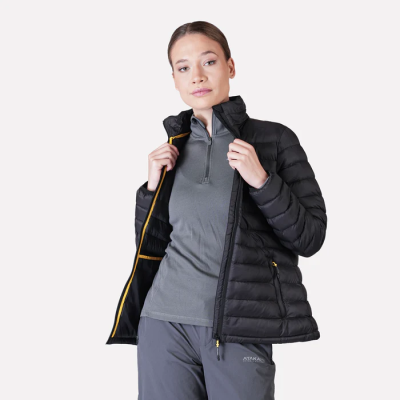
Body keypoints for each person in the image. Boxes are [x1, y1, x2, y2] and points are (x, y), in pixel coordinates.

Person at [106, 21, 328, 400]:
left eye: (208, 61)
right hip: (162, 322)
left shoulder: (273, 140)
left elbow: (310, 237)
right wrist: (150, 189)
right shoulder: (173, 148)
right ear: (174, 79)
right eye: (183, 67)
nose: (197, 75)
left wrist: (262, 181)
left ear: (230, 66)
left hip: (240, 325)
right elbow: (151, 244)